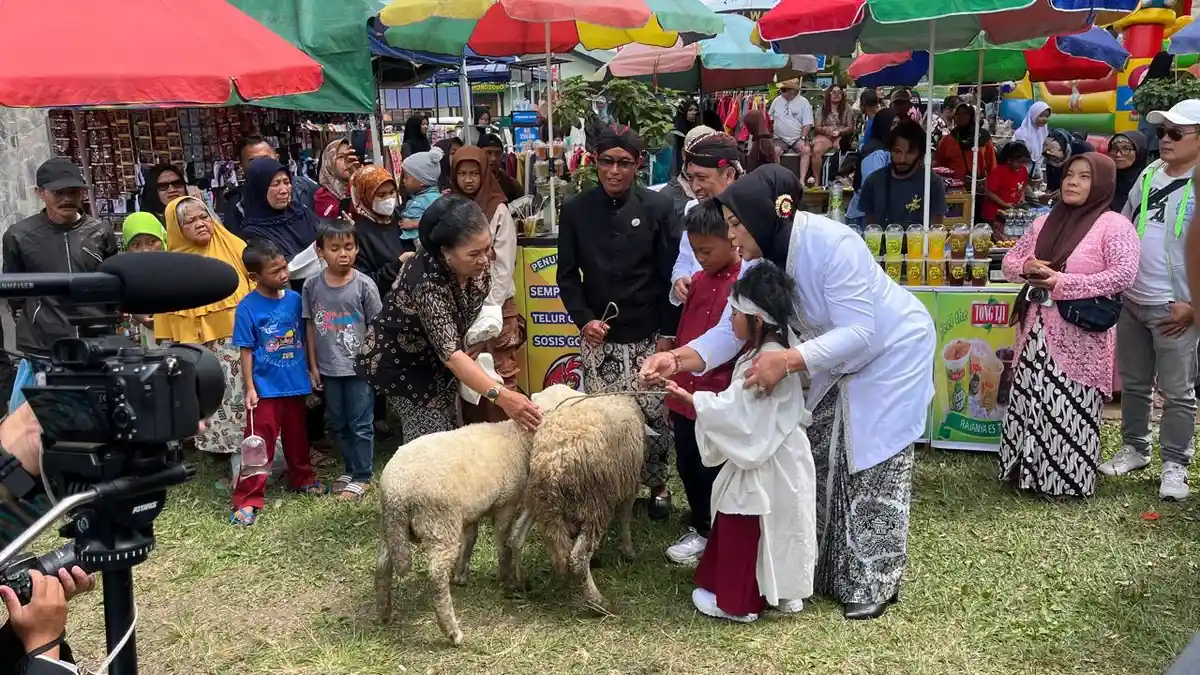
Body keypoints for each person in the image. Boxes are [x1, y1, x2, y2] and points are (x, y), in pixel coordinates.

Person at [639, 164, 935, 620]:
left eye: (736, 223)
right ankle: (819, 570)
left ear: (765, 214)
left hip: (890, 354)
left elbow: (860, 329)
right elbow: (731, 330)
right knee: (815, 459)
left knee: (871, 464)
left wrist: (789, 360)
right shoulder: (762, 260)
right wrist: (676, 358)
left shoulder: (833, 244)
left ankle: (874, 579)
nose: (732, 235)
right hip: (828, 358)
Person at [666, 261, 816, 623]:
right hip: (785, 457)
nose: (730, 321)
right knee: (782, 523)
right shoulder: (777, 350)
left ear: (758, 320)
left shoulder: (766, 360)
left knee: (744, 519)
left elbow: (740, 414)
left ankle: (737, 603)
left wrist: (694, 402)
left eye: (735, 313)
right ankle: (782, 591)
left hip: (762, 460)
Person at [998, 153, 1140, 497]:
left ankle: (1064, 482)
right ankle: (1024, 475)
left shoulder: (1113, 225)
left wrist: (1062, 282)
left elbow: (1123, 274)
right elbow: (1009, 262)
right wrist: (1029, 266)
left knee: (1067, 404)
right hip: (1036, 328)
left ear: (1102, 184)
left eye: (1084, 177)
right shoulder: (1042, 222)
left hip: (1080, 334)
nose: (1072, 182)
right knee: (1032, 397)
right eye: (1069, 175)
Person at [557, 125, 680, 519]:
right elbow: (566, 274)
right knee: (605, 420)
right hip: (600, 338)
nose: (614, 171)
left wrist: (666, 335)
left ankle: (657, 485)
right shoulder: (576, 210)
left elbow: (669, 277)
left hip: (648, 334)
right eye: (607, 161)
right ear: (594, 162)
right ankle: (610, 491)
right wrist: (584, 321)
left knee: (654, 414)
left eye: (624, 163)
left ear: (638, 165)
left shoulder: (657, 208)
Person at [358, 196, 542, 441]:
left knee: (450, 423)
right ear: (446, 253)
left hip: (441, 359)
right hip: (405, 365)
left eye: (487, 248)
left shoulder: (477, 265)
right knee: (429, 440)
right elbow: (453, 358)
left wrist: (472, 341)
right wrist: (504, 397)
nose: (485, 260)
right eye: (474, 253)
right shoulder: (425, 282)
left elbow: (467, 322)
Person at [1107, 101, 1200, 501]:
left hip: (1176, 306)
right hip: (1133, 298)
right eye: (1162, 132)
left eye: (1176, 134)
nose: (1165, 139)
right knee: (1135, 383)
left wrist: (1194, 305)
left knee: (1178, 391)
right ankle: (1135, 448)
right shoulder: (1147, 174)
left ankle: (1175, 464)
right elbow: (1126, 226)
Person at [662, 200, 742, 566]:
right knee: (688, 463)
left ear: (733, 240)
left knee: (718, 465)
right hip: (682, 391)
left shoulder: (744, 284)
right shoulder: (696, 282)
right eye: (695, 251)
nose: (701, 258)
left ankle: (722, 530)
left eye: (707, 251)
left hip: (719, 394)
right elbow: (684, 332)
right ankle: (700, 525)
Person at [231, 239, 325, 525]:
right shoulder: (247, 308)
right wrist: (249, 386)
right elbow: (246, 349)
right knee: (258, 444)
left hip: (294, 384)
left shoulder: (296, 300)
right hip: (265, 389)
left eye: (284, 267)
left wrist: (311, 368)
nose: (283, 275)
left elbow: (306, 334)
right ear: (255, 277)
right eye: (275, 271)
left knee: (299, 438)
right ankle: (248, 498)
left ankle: (303, 479)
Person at [157, 196, 253, 471]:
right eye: (191, 221)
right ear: (177, 228)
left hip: (236, 340)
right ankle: (224, 460)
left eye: (204, 217)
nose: (200, 224)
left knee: (239, 398)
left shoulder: (233, 246)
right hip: (196, 348)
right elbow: (165, 311)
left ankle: (246, 462)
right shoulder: (171, 265)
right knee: (210, 401)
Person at [3, 157, 118, 358]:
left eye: (73, 192)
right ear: (40, 193)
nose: (66, 199)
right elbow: (15, 292)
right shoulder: (19, 236)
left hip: (96, 340)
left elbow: (112, 286)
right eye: (58, 192)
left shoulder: (100, 231)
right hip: (43, 345)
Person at [303, 221, 383, 502]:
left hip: (359, 369)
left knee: (361, 422)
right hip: (328, 369)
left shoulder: (365, 285)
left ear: (357, 249)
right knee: (338, 422)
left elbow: (377, 327)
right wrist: (313, 366)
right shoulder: (312, 286)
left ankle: (363, 475)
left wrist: (373, 363)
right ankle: (349, 468)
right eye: (334, 248)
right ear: (320, 251)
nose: (342, 254)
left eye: (348, 247)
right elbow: (311, 326)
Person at [450, 146, 521, 405]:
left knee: (502, 372)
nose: (468, 180)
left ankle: (506, 437)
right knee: (470, 371)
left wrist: (490, 308)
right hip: (461, 303)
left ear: (484, 174)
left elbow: (503, 265)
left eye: (474, 173)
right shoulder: (451, 209)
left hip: (497, 305)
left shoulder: (497, 209)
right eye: (462, 174)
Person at [670, 132, 744, 306]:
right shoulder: (693, 208)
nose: (695, 187)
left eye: (702, 178)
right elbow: (685, 258)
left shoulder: (750, 216)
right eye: (691, 178)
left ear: (729, 175)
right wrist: (680, 278)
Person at [222, 135, 318, 237]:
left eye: (266, 159)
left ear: (277, 159)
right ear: (241, 166)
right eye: (253, 161)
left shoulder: (304, 187)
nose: (261, 165)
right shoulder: (237, 205)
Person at [859, 119, 946, 226]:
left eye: (910, 153)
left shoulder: (932, 183)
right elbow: (870, 228)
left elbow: (936, 229)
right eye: (897, 151)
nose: (902, 159)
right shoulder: (873, 182)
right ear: (890, 150)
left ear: (920, 154)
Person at [240, 157, 320, 266]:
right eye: (276, 184)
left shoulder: (301, 211)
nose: (284, 190)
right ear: (259, 189)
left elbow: (323, 235)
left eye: (286, 182)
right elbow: (280, 267)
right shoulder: (253, 232)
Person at [349, 164, 407, 293]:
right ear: (366, 196)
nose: (388, 199)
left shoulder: (402, 217)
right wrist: (397, 265)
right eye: (381, 195)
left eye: (392, 192)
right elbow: (365, 283)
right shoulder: (359, 234)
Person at [118, 212, 167, 348]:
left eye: (152, 241)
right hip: (153, 339)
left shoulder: (180, 266)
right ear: (127, 248)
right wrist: (137, 314)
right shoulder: (128, 275)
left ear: (163, 239)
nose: (145, 250)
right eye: (136, 245)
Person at [847, 108, 897, 225]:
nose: (898, 128)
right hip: (865, 218)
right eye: (894, 124)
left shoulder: (887, 149)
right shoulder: (876, 153)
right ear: (884, 125)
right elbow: (873, 189)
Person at [658, 125, 718, 218]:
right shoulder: (667, 197)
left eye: (711, 155)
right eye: (698, 154)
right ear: (684, 155)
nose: (705, 161)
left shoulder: (725, 189)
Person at [934, 103, 997, 184]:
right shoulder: (947, 140)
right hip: (955, 189)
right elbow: (940, 167)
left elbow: (992, 165)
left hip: (980, 188)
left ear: (971, 116)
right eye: (958, 114)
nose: (961, 116)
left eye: (965, 113)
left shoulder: (983, 138)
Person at [768, 79, 814, 186]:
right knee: (775, 151)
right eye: (781, 89)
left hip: (797, 137)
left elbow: (807, 123)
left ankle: (802, 180)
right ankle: (779, 181)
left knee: (806, 150)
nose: (781, 92)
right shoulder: (776, 101)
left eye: (784, 90)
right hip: (779, 138)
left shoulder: (803, 102)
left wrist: (803, 138)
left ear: (793, 90)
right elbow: (770, 119)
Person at [400, 147, 445, 254]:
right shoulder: (421, 196)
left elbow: (441, 221)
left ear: (421, 181)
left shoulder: (433, 199)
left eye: (407, 177)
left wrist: (416, 224)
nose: (403, 180)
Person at [984, 141, 1032, 237]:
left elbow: (1022, 187)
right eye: (1019, 162)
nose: (1021, 165)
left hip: (1012, 213)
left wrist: (1021, 199)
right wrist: (1005, 204)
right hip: (994, 214)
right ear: (1010, 159)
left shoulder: (1023, 170)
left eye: (1023, 163)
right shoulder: (999, 172)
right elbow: (989, 192)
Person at [812, 85, 855, 184]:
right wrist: (826, 129)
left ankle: (839, 179)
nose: (837, 94)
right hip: (825, 136)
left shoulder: (847, 108)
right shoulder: (822, 108)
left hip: (841, 135)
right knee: (816, 150)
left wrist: (840, 131)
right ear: (829, 94)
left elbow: (850, 127)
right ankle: (817, 182)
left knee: (841, 148)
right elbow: (817, 127)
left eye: (839, 92)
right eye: (834, 92)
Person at [312, 138, 358, 220]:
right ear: (329, 161)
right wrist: (353, 183)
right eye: (340, 157)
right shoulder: (322, 196)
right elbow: (338, 219)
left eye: (349, 155)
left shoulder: (360, 182)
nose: (347, 161)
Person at [1108, 130, 1149, 212]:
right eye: (1115, 148)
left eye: (1126, 148)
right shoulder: (1106, 180)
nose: (1118, 154)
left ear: (1140, 151)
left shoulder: (1148, 183)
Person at [479, 132, 524, 202]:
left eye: (497, 153)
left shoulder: (511, 184)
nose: (493, 158)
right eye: (488, 153)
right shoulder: (472, 183)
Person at [673, 99, 701, 176]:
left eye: (696, 110)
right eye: (690, 110)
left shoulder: (696, 127)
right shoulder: (677, 130)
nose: (694, 113)